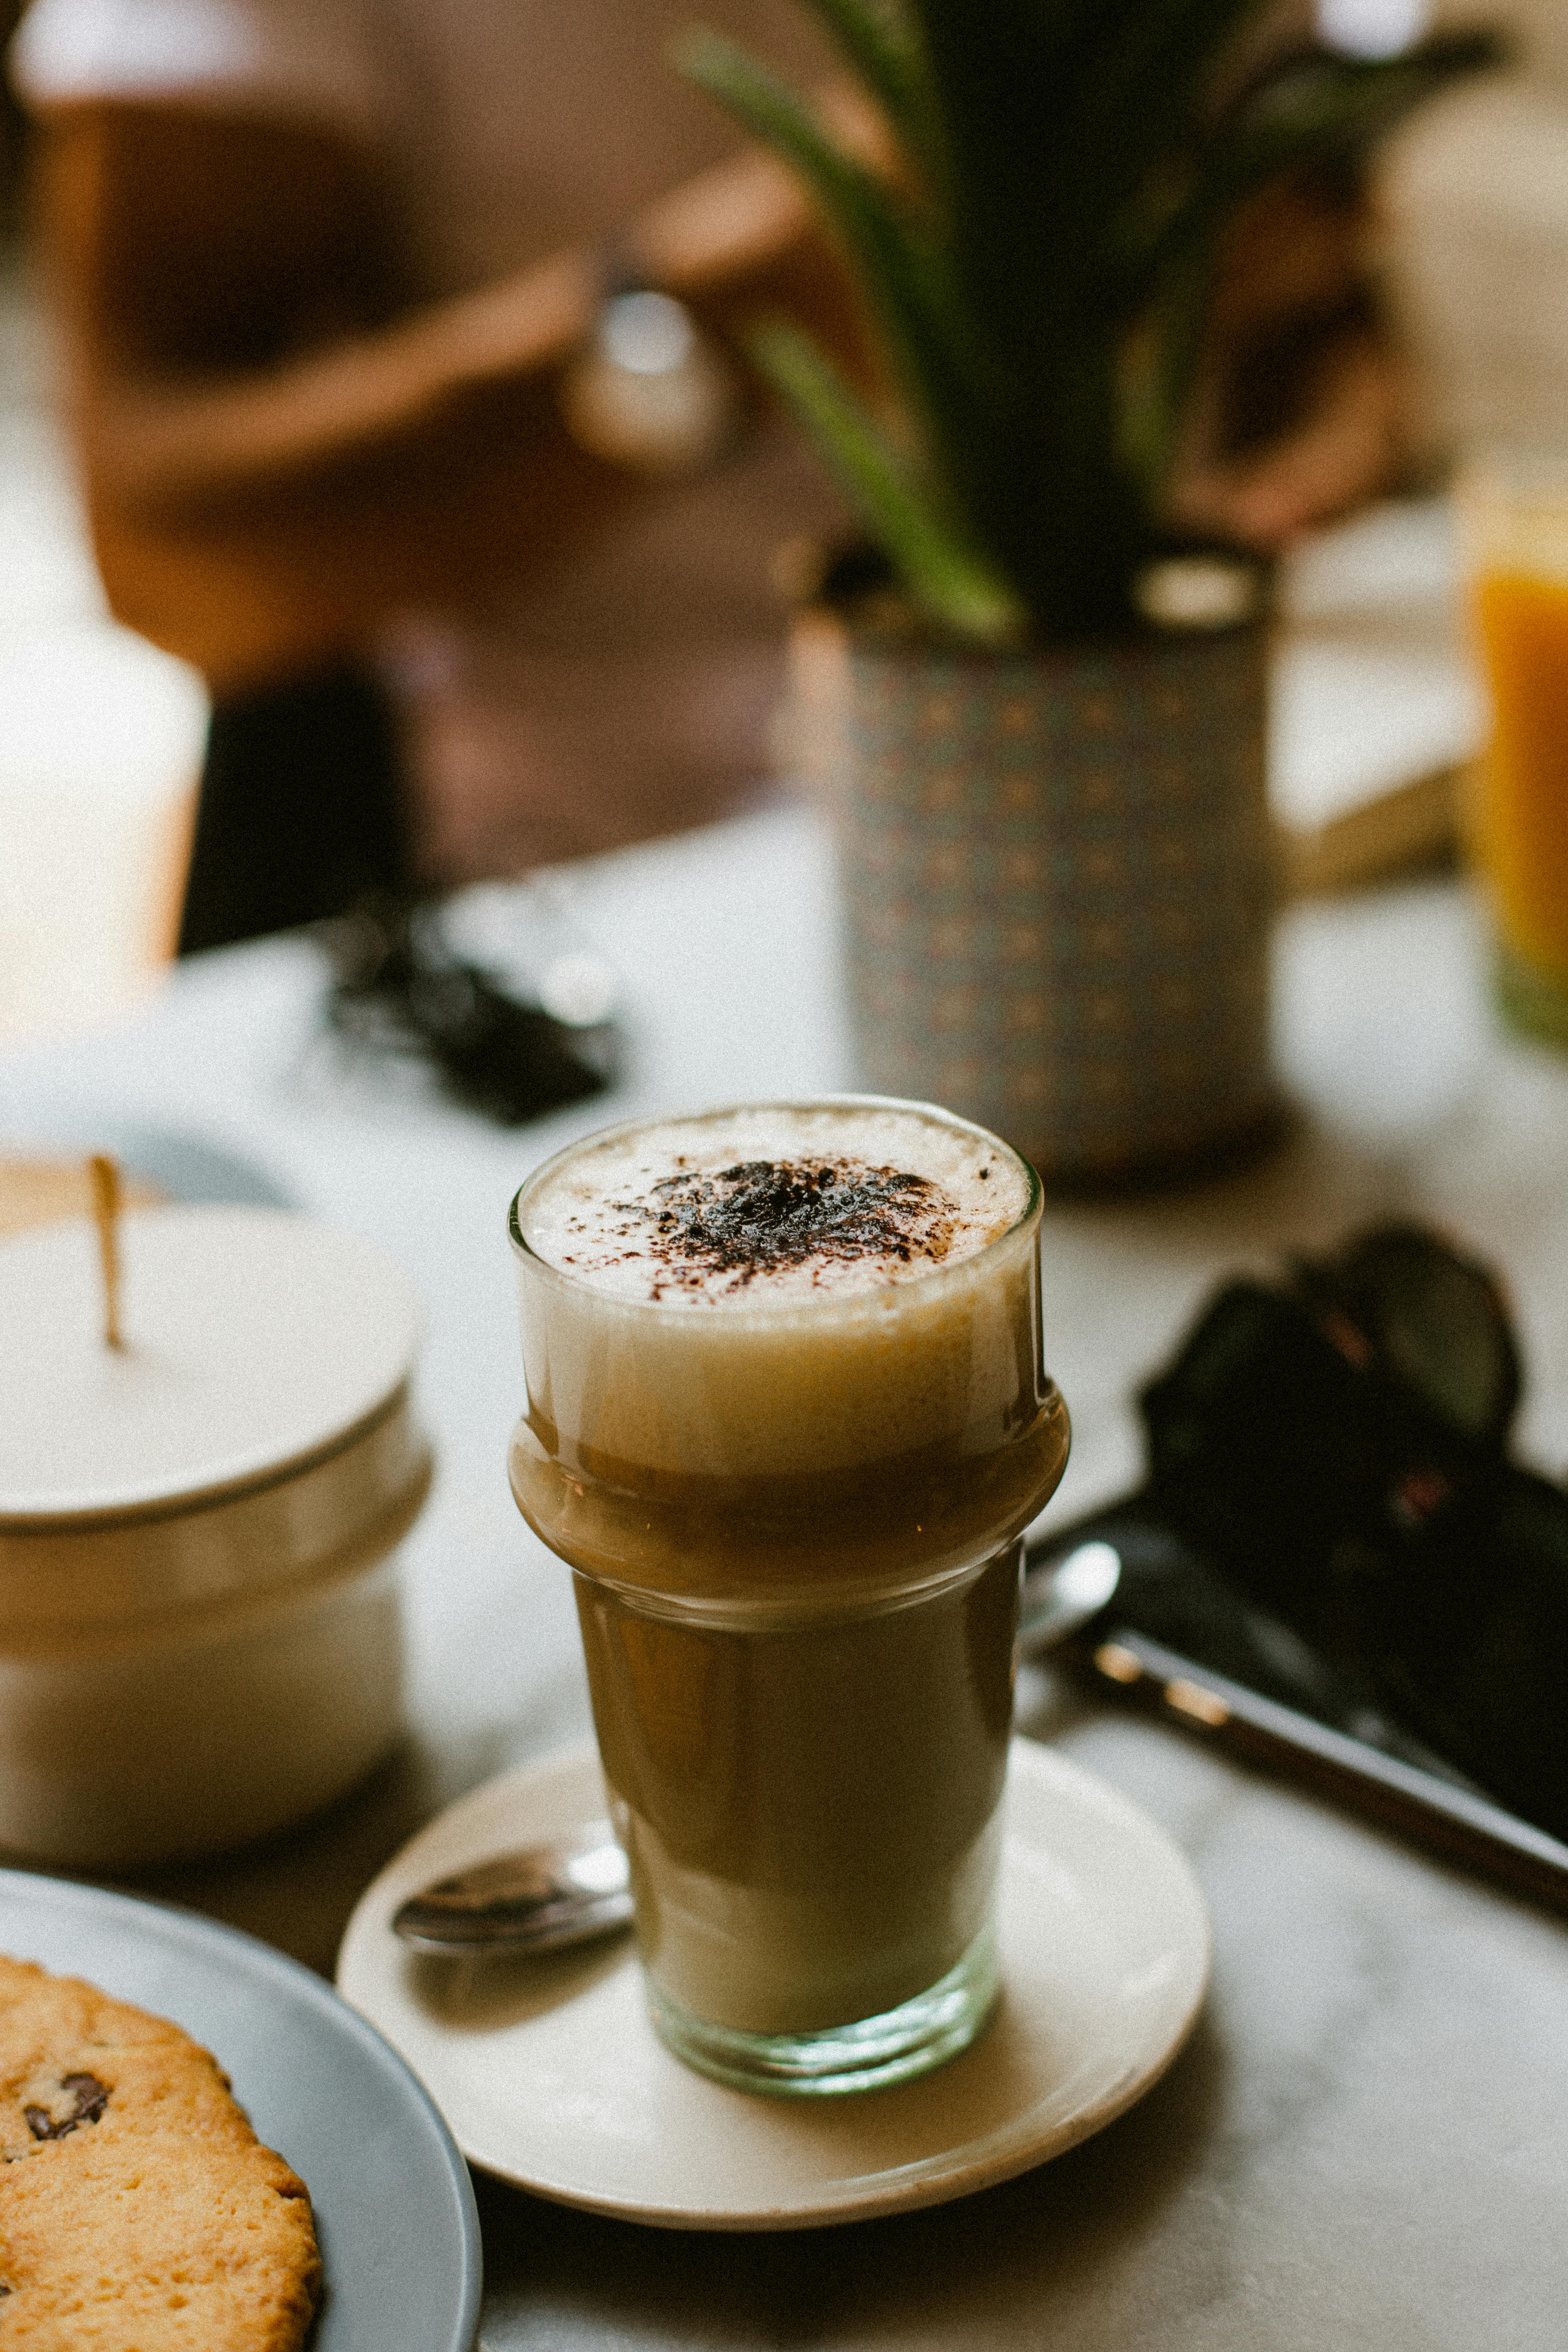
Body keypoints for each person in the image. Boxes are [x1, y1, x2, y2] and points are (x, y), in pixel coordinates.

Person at [11, 0, 1411, 954]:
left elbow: (1322, 287)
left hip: (1153, 838)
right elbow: (165, 542)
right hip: (587, 903)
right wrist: (772, 289)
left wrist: (1329, 426)